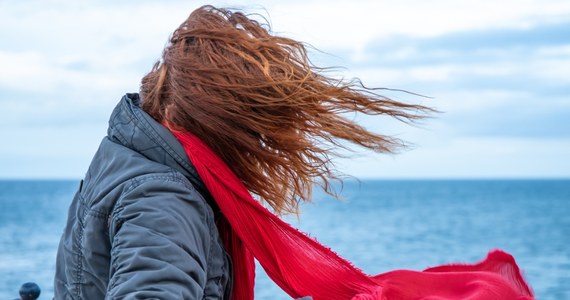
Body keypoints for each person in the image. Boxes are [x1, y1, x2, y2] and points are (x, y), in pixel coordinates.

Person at [54, 5, 534, 300]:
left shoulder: (128, 153)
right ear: (217, 120)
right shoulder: (163, 197)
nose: (258, 146)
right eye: (252, 129)